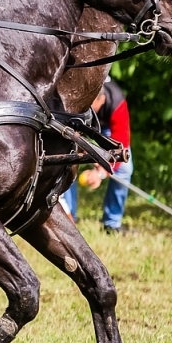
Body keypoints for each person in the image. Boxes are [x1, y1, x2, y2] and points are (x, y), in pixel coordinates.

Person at [62, 77, 134, 233]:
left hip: (106, 130)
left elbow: (121, 143)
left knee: (125, 169)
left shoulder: (117, 103)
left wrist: (101, 171)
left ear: (102, 99)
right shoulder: (77, 97)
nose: (88, 108)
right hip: (78, 126)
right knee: (64, 162)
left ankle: (112, 223)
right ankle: (68, 218)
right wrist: (85, 150)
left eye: (91, 105)